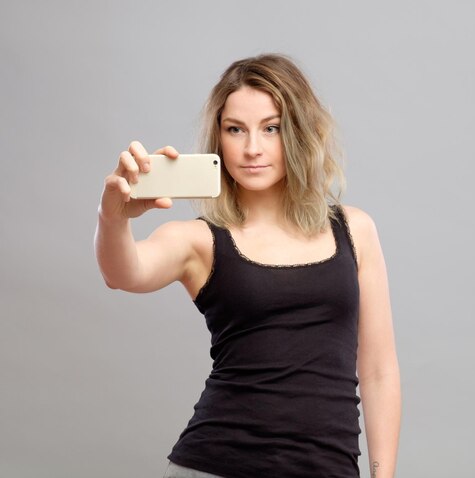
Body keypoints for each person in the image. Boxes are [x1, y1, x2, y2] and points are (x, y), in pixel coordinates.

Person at [95, 53, 401, 478]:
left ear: (298, 133)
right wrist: (113, 218)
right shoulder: (200, 239)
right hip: (216, 464)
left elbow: (379, 370)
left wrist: (383, 474)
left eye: (271, 128)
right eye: (235, 129)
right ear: (218, 138)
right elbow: (122, 273)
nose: (252, 148)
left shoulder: (355, 230)